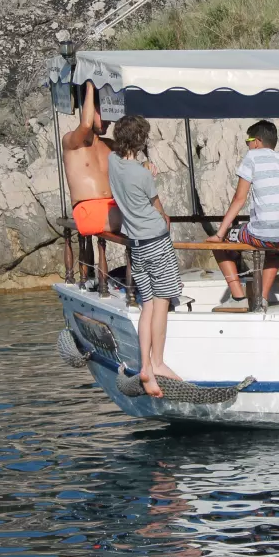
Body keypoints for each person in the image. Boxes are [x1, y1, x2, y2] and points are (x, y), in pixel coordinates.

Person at [206, 120, 279, 308]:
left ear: (257, 141)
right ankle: (263, 299)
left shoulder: (252, 158)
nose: (248, 146)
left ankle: (237, 298)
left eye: (248, 141)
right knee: (273, 249)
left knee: (222, 242)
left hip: (265, 235)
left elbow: (239, 199)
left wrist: (219, 234)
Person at [108, 115, 182, 398]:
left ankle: (145, 367)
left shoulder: (113, 163)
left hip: (136, 245)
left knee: (147, 304)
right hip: (156, 240)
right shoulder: (141, 174)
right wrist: (149, 173)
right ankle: (158, 363)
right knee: (162, 303)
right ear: (140, 141)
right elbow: (159, 210)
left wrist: (142, 166)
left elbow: (121, 161)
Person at [62, 81, 122, 236]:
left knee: (154, 216)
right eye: (103, 112)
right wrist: (90, 86)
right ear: (90, 109)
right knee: (141, 220)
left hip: (112, 207)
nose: (108, 120)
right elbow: (86, 125)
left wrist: (146, 164)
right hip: (87, 210)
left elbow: (132, 150)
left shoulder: (110, 146)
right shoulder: (71, 142)